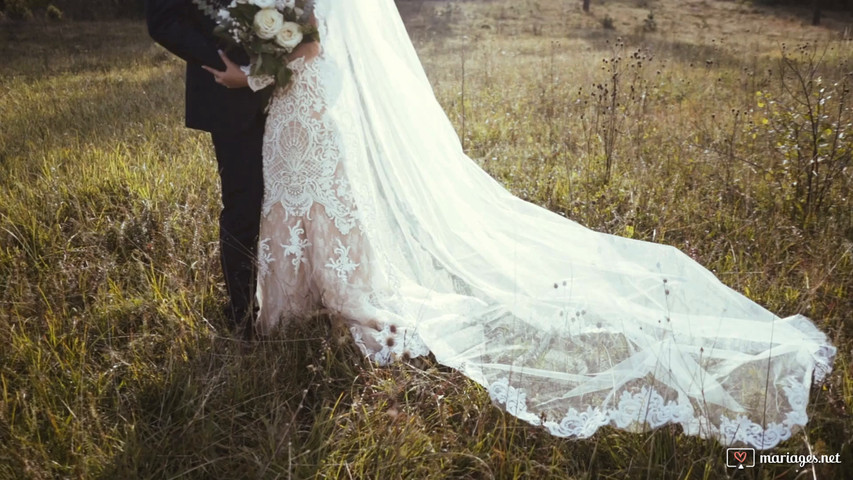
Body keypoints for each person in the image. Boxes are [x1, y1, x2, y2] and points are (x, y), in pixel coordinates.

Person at [204, 0, 835, 449]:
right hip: (295, 106)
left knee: (311, 198)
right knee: (298, 203)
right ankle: (295, 306)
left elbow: (309, 40)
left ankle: (318, 304)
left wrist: (248, 74)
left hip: (305, 98)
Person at [145, 0, 272, 335]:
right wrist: (226, 67)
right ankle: (243, 315)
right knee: (243, 203)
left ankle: (301, 299)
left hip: (293, 89)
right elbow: (163, 20)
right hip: (228, 92)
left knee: (300, 200)